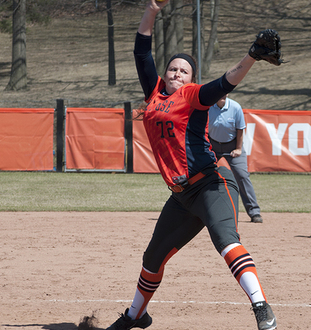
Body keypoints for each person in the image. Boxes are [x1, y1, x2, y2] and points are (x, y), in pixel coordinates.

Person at [105, 1, 279, 330]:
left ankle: (260, 305)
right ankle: (135, 316)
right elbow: (141, 50)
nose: (176, 73)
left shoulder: (193, 96)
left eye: (183, 71)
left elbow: (227, 82)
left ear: (190, 79)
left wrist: (252, 56)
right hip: (181, 195)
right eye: (173, 68)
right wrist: (152, 10)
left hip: (212, 185)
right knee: (152, 258)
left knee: (226, 240)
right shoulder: (154, 94)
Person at [208, 95, 264, 223]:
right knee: (205, 176)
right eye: (220, 92)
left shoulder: (235, 107)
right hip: (213, 145)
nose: (222, 95)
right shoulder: (208, 107)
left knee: (242, 175)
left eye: (225, 92)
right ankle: (203, 211)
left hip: (232, 144)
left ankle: (254, 212)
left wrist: (238, 148)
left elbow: (240, 129)